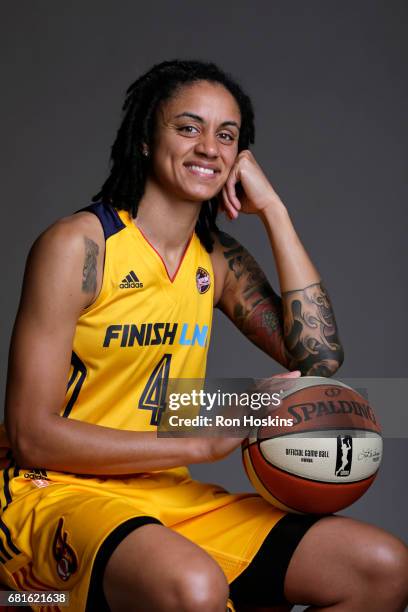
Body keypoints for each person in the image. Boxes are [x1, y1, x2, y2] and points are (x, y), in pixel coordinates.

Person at [1, 60, 407, 612]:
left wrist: (275, 212)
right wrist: (202, 439)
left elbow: (320, 359)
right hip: (54, 490)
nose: (208, 148)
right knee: (194, 587)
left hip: (166, 495)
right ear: (146, 138)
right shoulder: (81, 247)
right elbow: (30, 435)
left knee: (379, 569)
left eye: (227, 135)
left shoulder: (215, 261)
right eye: (188, 127)